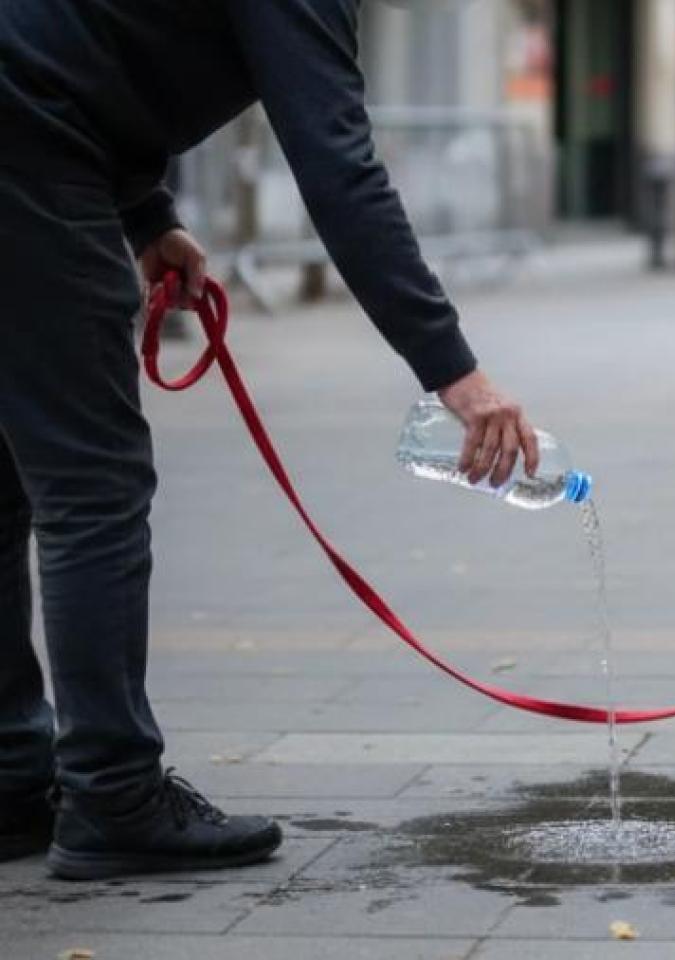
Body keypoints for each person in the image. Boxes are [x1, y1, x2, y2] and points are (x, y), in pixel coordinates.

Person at [0, 0, 539, 880]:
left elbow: (87, 48)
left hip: (30, 128)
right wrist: (455, 374)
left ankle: (13, 781)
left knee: (10, 476)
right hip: (25, 151)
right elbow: (338, 167)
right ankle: (112, 795)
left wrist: (144, 213)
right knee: (91, 487)